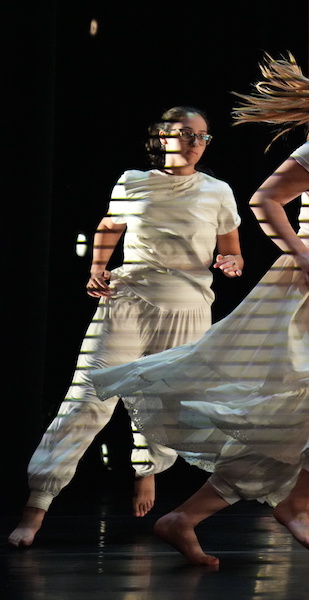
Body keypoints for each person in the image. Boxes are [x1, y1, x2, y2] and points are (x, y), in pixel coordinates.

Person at [89, 57, 309, 566]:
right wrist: (301, 251)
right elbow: (265, 200)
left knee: (291, 428)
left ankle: (183, 519)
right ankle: (301, 504)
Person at [8, 106, 244, 548]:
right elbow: (108, 228)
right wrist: (97, 267)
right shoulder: (133, 181)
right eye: (185, 133)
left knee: (162, 398)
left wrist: (232, 262)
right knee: (87, 396)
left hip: (188, 306)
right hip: (129, 298)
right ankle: (36, 504)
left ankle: (148, 470)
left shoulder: (217, 191)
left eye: (203, 136)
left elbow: (234, 249)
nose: (195, 142)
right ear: (161, 137)